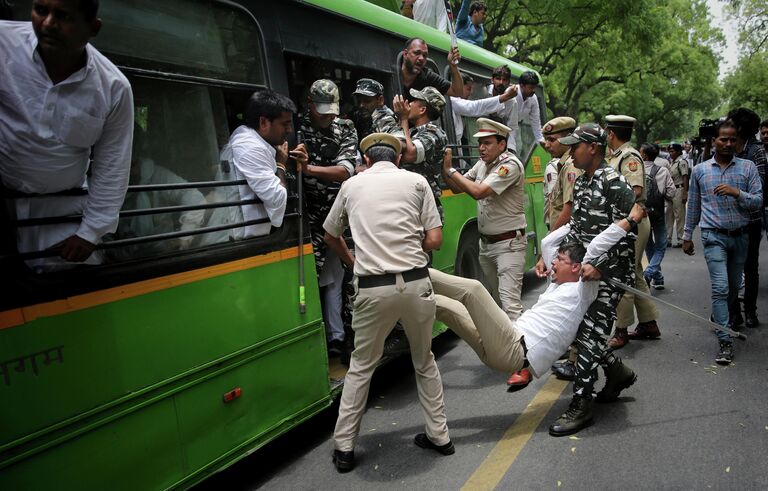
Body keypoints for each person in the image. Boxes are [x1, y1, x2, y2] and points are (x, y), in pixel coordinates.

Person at [324, 133, 451, 473]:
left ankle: (345, 447)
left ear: (366, 161)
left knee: (362, 366)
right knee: (424, 361)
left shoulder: (351, 185)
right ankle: (440, 436)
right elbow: (435, 238)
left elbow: (330, 234)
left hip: (371, 288)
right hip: (416, 284)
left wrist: (354, 262)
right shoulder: (416, 181)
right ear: (397, 159)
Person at [434, 202, 645, 386]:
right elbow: (547, 243)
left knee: (474, 290)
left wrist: (631, 219)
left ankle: (410, 270)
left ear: (576, 267)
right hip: (497, 349)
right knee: (441, 306)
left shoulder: (583, 288)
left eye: (560, 260)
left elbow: (598, 245)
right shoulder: (556, 284)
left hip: (514, 349)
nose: (553, 262)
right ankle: (408, 287)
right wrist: (574, 225)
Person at [0, 0, 134, 270]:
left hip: (62, 213)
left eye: (63, 16)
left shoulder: (114, 88)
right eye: (40, 10)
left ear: (93, 28)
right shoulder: (3, 43)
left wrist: (90, 232)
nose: (48, 23)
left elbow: (113, 166)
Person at [547, 123, 637, 436]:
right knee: (577, 329)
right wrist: (554, 260)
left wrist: (601, 266)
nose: (570, 152)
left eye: (576, 146)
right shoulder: (583, 181)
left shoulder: (613, 181)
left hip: (610, 274)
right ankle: (617, 371)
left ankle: (582, 404)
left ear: (593, 148)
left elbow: (631, 230)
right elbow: (577, 230)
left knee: (588, 336)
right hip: (582, 270)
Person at [442, 118, 527, 390]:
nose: (481, 148)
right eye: (479, 143)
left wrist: (450, 169)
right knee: (496, 304)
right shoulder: (482, 165)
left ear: (502, 143)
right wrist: (444, 169)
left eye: (487, 143)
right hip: (487, 245)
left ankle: (523, 364)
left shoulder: (509, 165)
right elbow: (457, 187)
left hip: (509, 245)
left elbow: (478, 192)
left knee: (511, 303)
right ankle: (509, 350)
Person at [683, 119, 762, 365]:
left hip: (740, 237)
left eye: (732, 140)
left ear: (737, 141)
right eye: (723, 139)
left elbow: (758, 201)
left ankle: (721, 317)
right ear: (714, 141)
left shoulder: (748, 168)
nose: (728, 144)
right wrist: (687, 235)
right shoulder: (700, 170)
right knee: (720, 287)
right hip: (713, 236)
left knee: (731, 287)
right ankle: (725, 341)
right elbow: (693, 205)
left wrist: (737, 193)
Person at [298, 79, 358, 356]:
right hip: (309, 220)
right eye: (322, 111)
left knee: (350, 277)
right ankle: (331, 338)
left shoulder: (345, 128)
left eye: (331, 110)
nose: (328, 116)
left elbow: (346, 170)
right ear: (310, 104)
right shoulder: (296, 128)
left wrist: (308, 168)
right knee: (320, 279)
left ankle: (350, 337)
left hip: (341, 218)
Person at [200, 89, 298, 246]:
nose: (289, 130)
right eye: (285, 124)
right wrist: (280, 164)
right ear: (263, 123)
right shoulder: (250, 147)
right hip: (232, 243)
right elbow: (277, 198)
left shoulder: (253, 141)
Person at [604, 115, 660, 347]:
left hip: (633, 220)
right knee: (635, 273)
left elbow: (635, 190)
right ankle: (649, 323)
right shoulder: (617, 156)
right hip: (625, 221)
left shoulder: (629, 157)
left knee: (623, 274)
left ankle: (621, 330)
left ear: (611, 134)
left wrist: (605, 199)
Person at [115, 127, 206, 257]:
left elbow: (195, 197)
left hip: (162, 255)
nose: (128, 171)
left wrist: (184, 238)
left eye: (131, 165)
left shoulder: (156, 175)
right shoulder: (106, 183)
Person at [538, 116, 581, 381]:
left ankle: (577, 359)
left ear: (567, 138)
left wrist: (552, 240)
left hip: (566, 238)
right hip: (561, 236)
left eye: (552, 139)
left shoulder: (571, 167)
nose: (547, 144)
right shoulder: (562, 164)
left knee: (569, 301)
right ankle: (572, 352)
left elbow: (568, 208)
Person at [727, 108, 766, 329]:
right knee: (730, 268)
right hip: (726, 218)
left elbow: (759, 184)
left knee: (750, 267)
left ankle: (750, 311)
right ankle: (734, 313)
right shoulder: (726, 145)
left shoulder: (756, 151)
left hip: (750, 219)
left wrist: (735, 190)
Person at [393, 87, 449, 222]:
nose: (409, 104)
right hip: (407, 200)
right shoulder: (411, 131)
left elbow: (410, 155)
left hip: (424, 205)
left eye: (413, 102)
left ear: (422, 110)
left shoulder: (434, 132)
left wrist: (404, 119)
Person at [639, 143, 676, 290]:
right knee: (661, 246)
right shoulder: (663, 171)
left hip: (641, 214)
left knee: (649, 246)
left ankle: (653, 275)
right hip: (658, 213)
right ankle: (655, 276)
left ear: (644, 155)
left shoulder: (636, 171)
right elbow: (671, 192)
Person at [450, 73, 516, 142]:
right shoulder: (452, 100)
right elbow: (473, 107)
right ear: (458, 86)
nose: (471, 92)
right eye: (468, 89)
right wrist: (504, 97)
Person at [486, 65, 520, 153]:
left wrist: (510, 149)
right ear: (492, 80)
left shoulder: (512, 101)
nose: (501, 82)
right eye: (498, 78)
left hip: (498, 138)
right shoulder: (482, 91)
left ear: (509, 82)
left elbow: (512, 126)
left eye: (504, 80)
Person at [514, 71, 545, 152]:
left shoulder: (533, 98)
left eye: (534, 87)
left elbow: (535, 121)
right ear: (522, 86)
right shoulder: (511, 93)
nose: (534, 90)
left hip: (516, 128)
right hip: (503, 126)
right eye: (531, 87)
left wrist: (541, 140)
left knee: (517, 150)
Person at [665, 142, 689, 248]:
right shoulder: (672, 162)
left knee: (679, 215)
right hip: (671, 190)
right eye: (669, 151)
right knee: (668, 215)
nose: (671, 153)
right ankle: (667, 239)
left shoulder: (682, 162)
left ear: (678, 151)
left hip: (679, 189)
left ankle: (680, 239)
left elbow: (685, 177)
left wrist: (685, 193)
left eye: (673, 151)